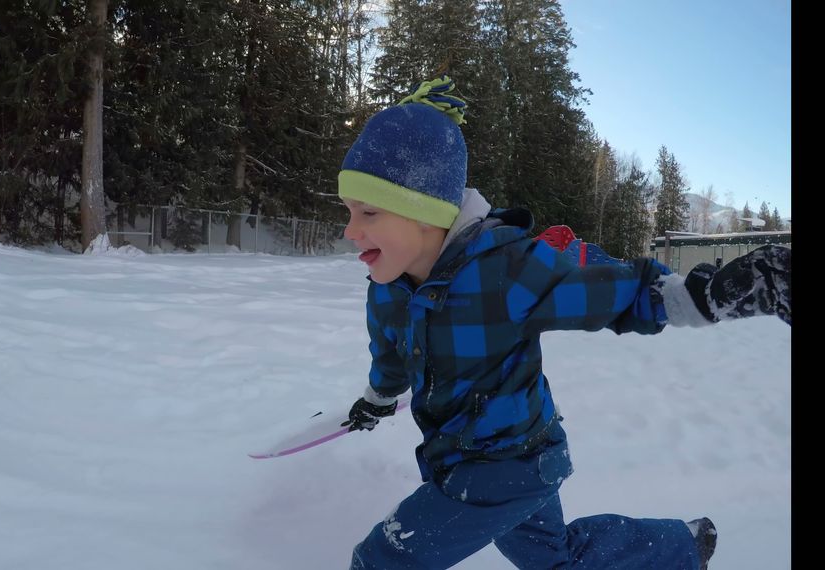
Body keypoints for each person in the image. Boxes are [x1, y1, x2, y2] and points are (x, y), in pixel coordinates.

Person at [337, 76, 790, 570]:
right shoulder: (387, 289)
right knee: (557, 560)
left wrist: (704, 296)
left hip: (501, 470)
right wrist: (378, 399)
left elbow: (608, 293)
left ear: (422, 213)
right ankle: (680, 546)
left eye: (368, 212)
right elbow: (390, 354)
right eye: (348, 210)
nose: (350, 230)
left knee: (383, 560)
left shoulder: (503, 271)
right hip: (492, 460)